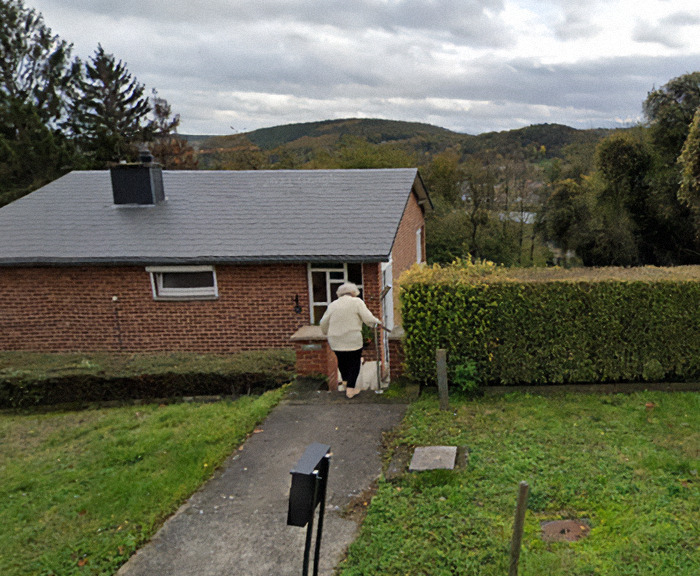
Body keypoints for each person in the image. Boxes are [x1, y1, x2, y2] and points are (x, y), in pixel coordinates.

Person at [319, 282, 382, 398]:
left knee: (342, 361)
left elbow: (323, 322)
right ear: (354, 293)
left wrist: (325, 332)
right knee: (354, 362)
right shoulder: (357, 302)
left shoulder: (333, 304)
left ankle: (345, 383)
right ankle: (350, 390)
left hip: (335, 339)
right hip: (352, 338)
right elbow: (368, 318)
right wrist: (377, 322)